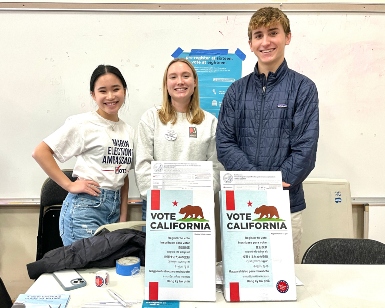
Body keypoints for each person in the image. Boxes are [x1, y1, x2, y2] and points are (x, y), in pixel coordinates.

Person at [216, 7, 319, 263]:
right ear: (250, 44)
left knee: (283, 285)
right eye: (258, 35)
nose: (266, 41)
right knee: (245, 276)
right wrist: (255, 182)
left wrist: (273, 185)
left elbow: (305, 148)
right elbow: (225, 143)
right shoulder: (235, 91)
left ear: (288, 37)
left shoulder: (304, 89)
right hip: (242, 207)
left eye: (273, 33)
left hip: (286, 205)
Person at [32, 64, 134, 246]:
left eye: (116, 89)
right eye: (103, 91)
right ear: (93, 95)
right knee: (86, 271)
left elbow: (123, 175)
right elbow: (40, 152)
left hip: (114, 210)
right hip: (85, 209)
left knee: (104, 272)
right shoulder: (83, 124)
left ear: (124, 91)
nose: (110, 96)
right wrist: (69, 185)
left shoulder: (129, 131)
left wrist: (123, 215)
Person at [135, 58, 223, 220]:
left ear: (195, 82)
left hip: (198, 203)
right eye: (173, 77)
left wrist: (197, 195)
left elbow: (216, 167)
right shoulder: (151, 118)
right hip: (159, 206)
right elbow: (143, 165)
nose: (180, 82)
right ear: (166, 83)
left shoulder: (210, 122)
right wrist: (161, 196)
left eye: (186, 76)